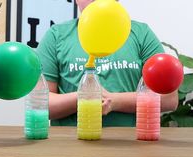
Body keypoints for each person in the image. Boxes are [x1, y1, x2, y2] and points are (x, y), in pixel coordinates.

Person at [36, 0, 178, 126]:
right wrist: (84, 96)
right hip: (70, 145)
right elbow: (39, 103)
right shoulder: (56, 35)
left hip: (132, 145)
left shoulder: (142, 34)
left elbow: (169, 98)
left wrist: (114, 101)